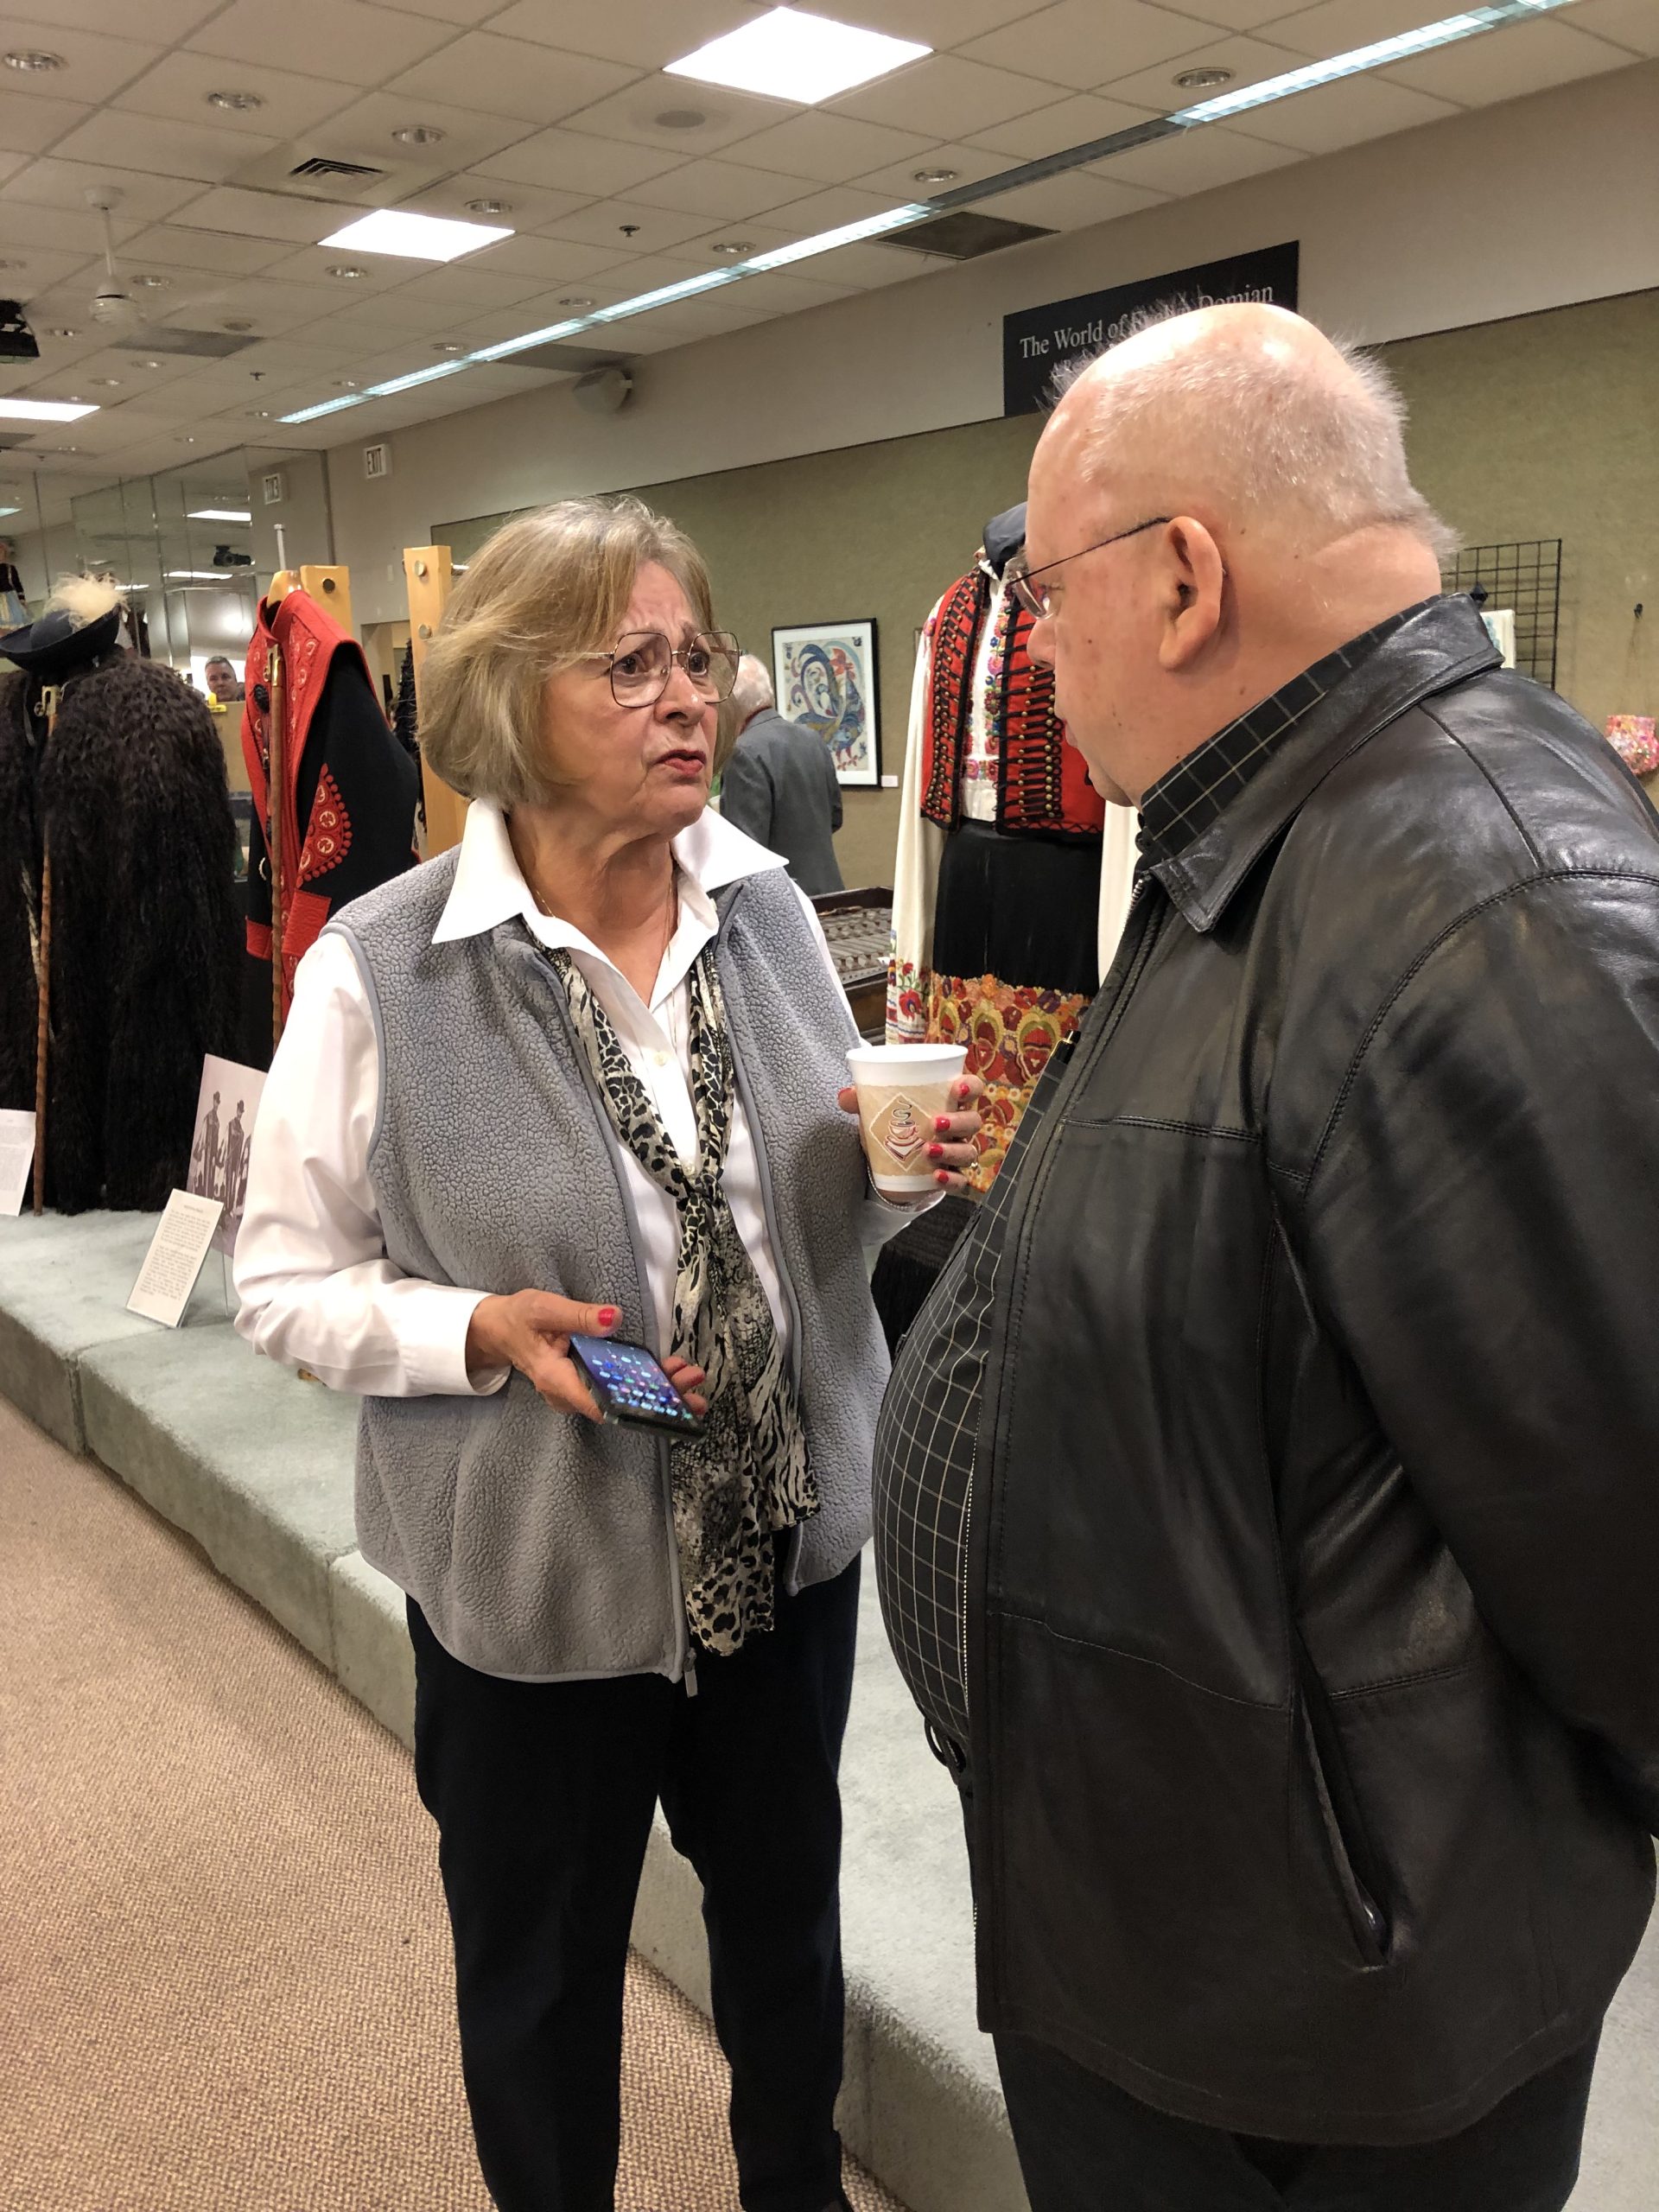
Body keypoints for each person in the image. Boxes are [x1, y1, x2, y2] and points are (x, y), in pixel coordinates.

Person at [872, 302, 1659, 2212]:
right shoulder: (1288, 827)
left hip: (1324, 2053)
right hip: (1202, 1958)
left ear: (1183, 578)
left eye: (1047, 596)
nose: (1029, 654)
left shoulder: (1480, 892)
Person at [233, 496, 986, 2212]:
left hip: (780, 1545)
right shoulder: (383, 971)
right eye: (630, 665)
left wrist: (896, 1178)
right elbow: (281, 1283)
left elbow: (812, 1217)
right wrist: (475, 1331)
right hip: (534, 1575)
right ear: (512, 697)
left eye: (696, 657)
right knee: (543, 1971)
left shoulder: (770, 911)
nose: (688, 698)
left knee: (787, 1933)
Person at [717, 654, 844, 894]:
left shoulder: (743, 752)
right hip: (832, 893)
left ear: (732, 706)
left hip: (782, 903)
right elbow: (835, 817)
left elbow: (745, 852)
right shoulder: (812, 739)